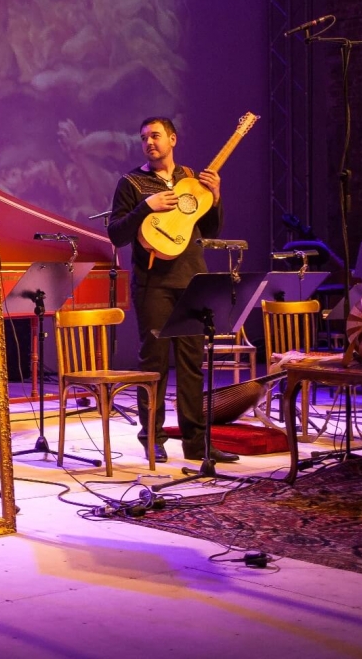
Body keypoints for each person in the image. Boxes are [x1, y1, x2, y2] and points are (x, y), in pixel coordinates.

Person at [106, 116, 239, 463]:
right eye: (144, 138)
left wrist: (216, 196)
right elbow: (116, 234)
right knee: (154, 363)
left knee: (192, 364)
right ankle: (152, 438)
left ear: (173, 139)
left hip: (192, 280)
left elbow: (210, 229)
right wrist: (144, 207)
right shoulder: (131, 183)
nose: (149, 143)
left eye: (155, 136)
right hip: (153, 283)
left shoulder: (190, 179)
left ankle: (196, 443)